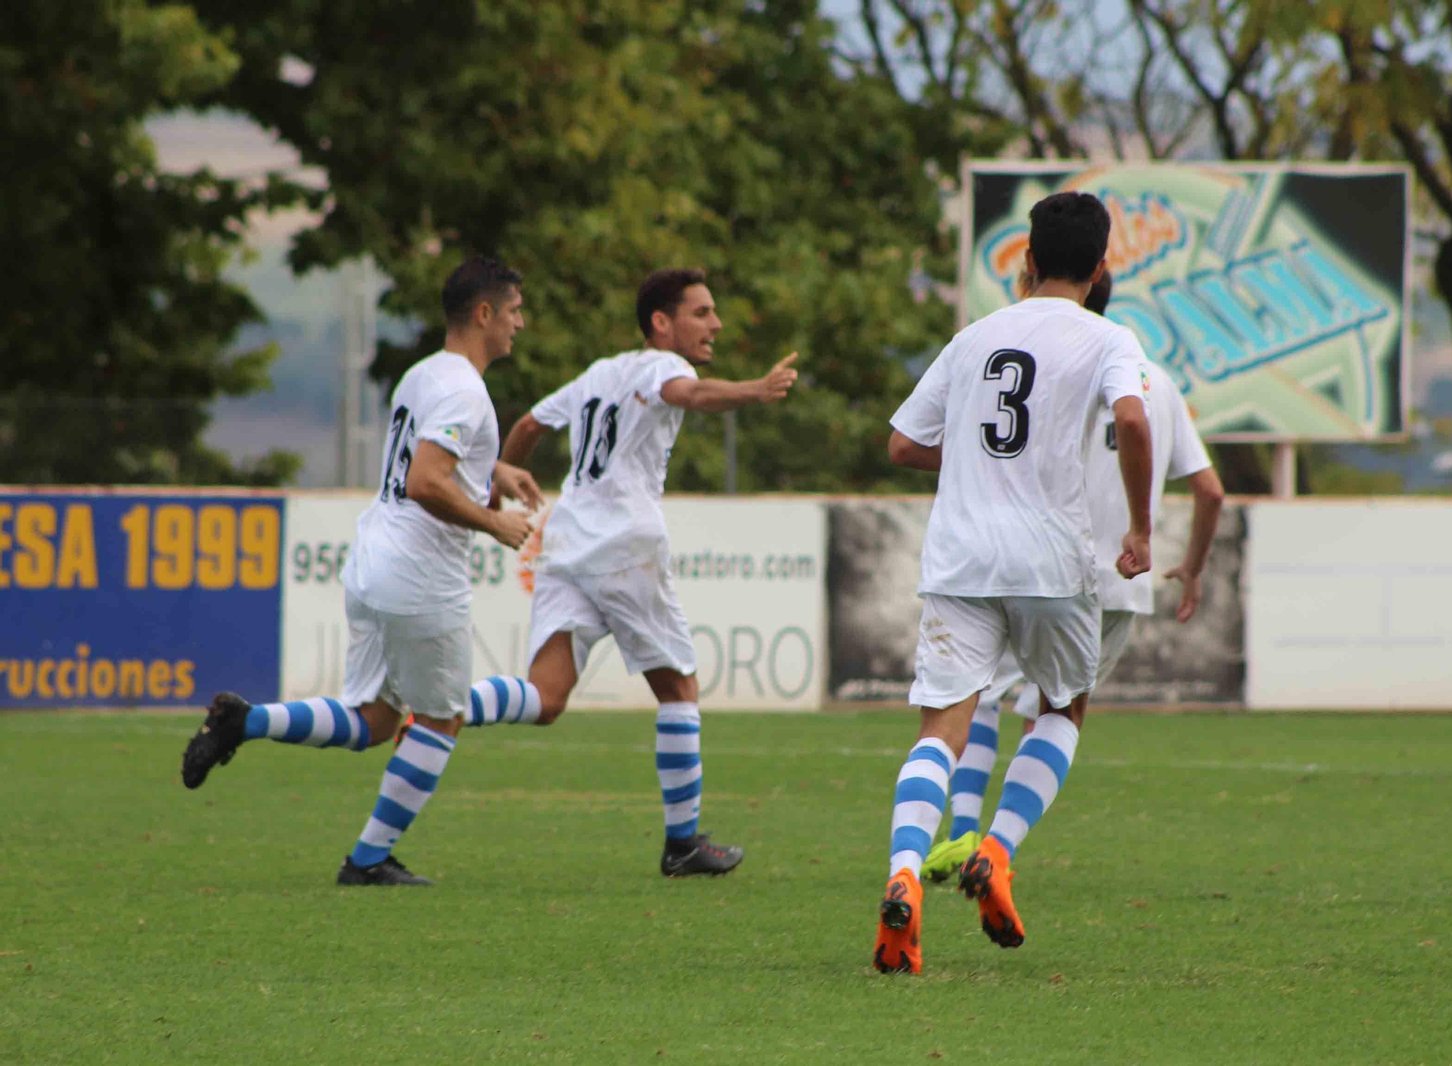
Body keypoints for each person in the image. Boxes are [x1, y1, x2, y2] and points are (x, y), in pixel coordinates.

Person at [180, 256, 541, 886]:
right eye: (514, 311)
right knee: (439, 719)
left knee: (375, 719)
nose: (520, 323)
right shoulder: (465, 390)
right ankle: (368, 861)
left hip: (374, 561)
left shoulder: (424, 375)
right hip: (420, 575)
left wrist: (496, 474)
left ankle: (247, 720)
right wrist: (495, 523)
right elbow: (425, 479)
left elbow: (427, 463)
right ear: (484, 313)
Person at [871, 192, 1154, 974]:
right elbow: (1132, 421)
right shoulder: (1108, 336)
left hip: (962, 558)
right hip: (1051, 561)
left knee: (942, 731)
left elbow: (900, 443)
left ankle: (903, 869)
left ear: (1025, 262)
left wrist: (968, 458)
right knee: (1061, 709)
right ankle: (995, 851)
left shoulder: (973, 337)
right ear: (1101, 270)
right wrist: (1139, 528)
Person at [921, 271, 1226, 882]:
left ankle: (964, 833)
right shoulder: (1155, 383)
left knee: (977, 693)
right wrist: (1186, 565)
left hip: (1050, 563)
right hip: (1119, 582)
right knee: (1055, 712)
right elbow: (1209, 489)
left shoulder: (1057, 365)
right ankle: (997, 847)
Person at [493, 268, 798, 878]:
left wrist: (499, 477)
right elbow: (689, 394)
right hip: (625, 546)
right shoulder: (664, 368)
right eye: (702, 312)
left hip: (567, 542)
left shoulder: (601, 372)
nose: (715, 324)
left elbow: (529, 427)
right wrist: (754, 390)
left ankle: (443, 706)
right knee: (679, 689)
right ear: (662, 323)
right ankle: (683, 844)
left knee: (544, 698)